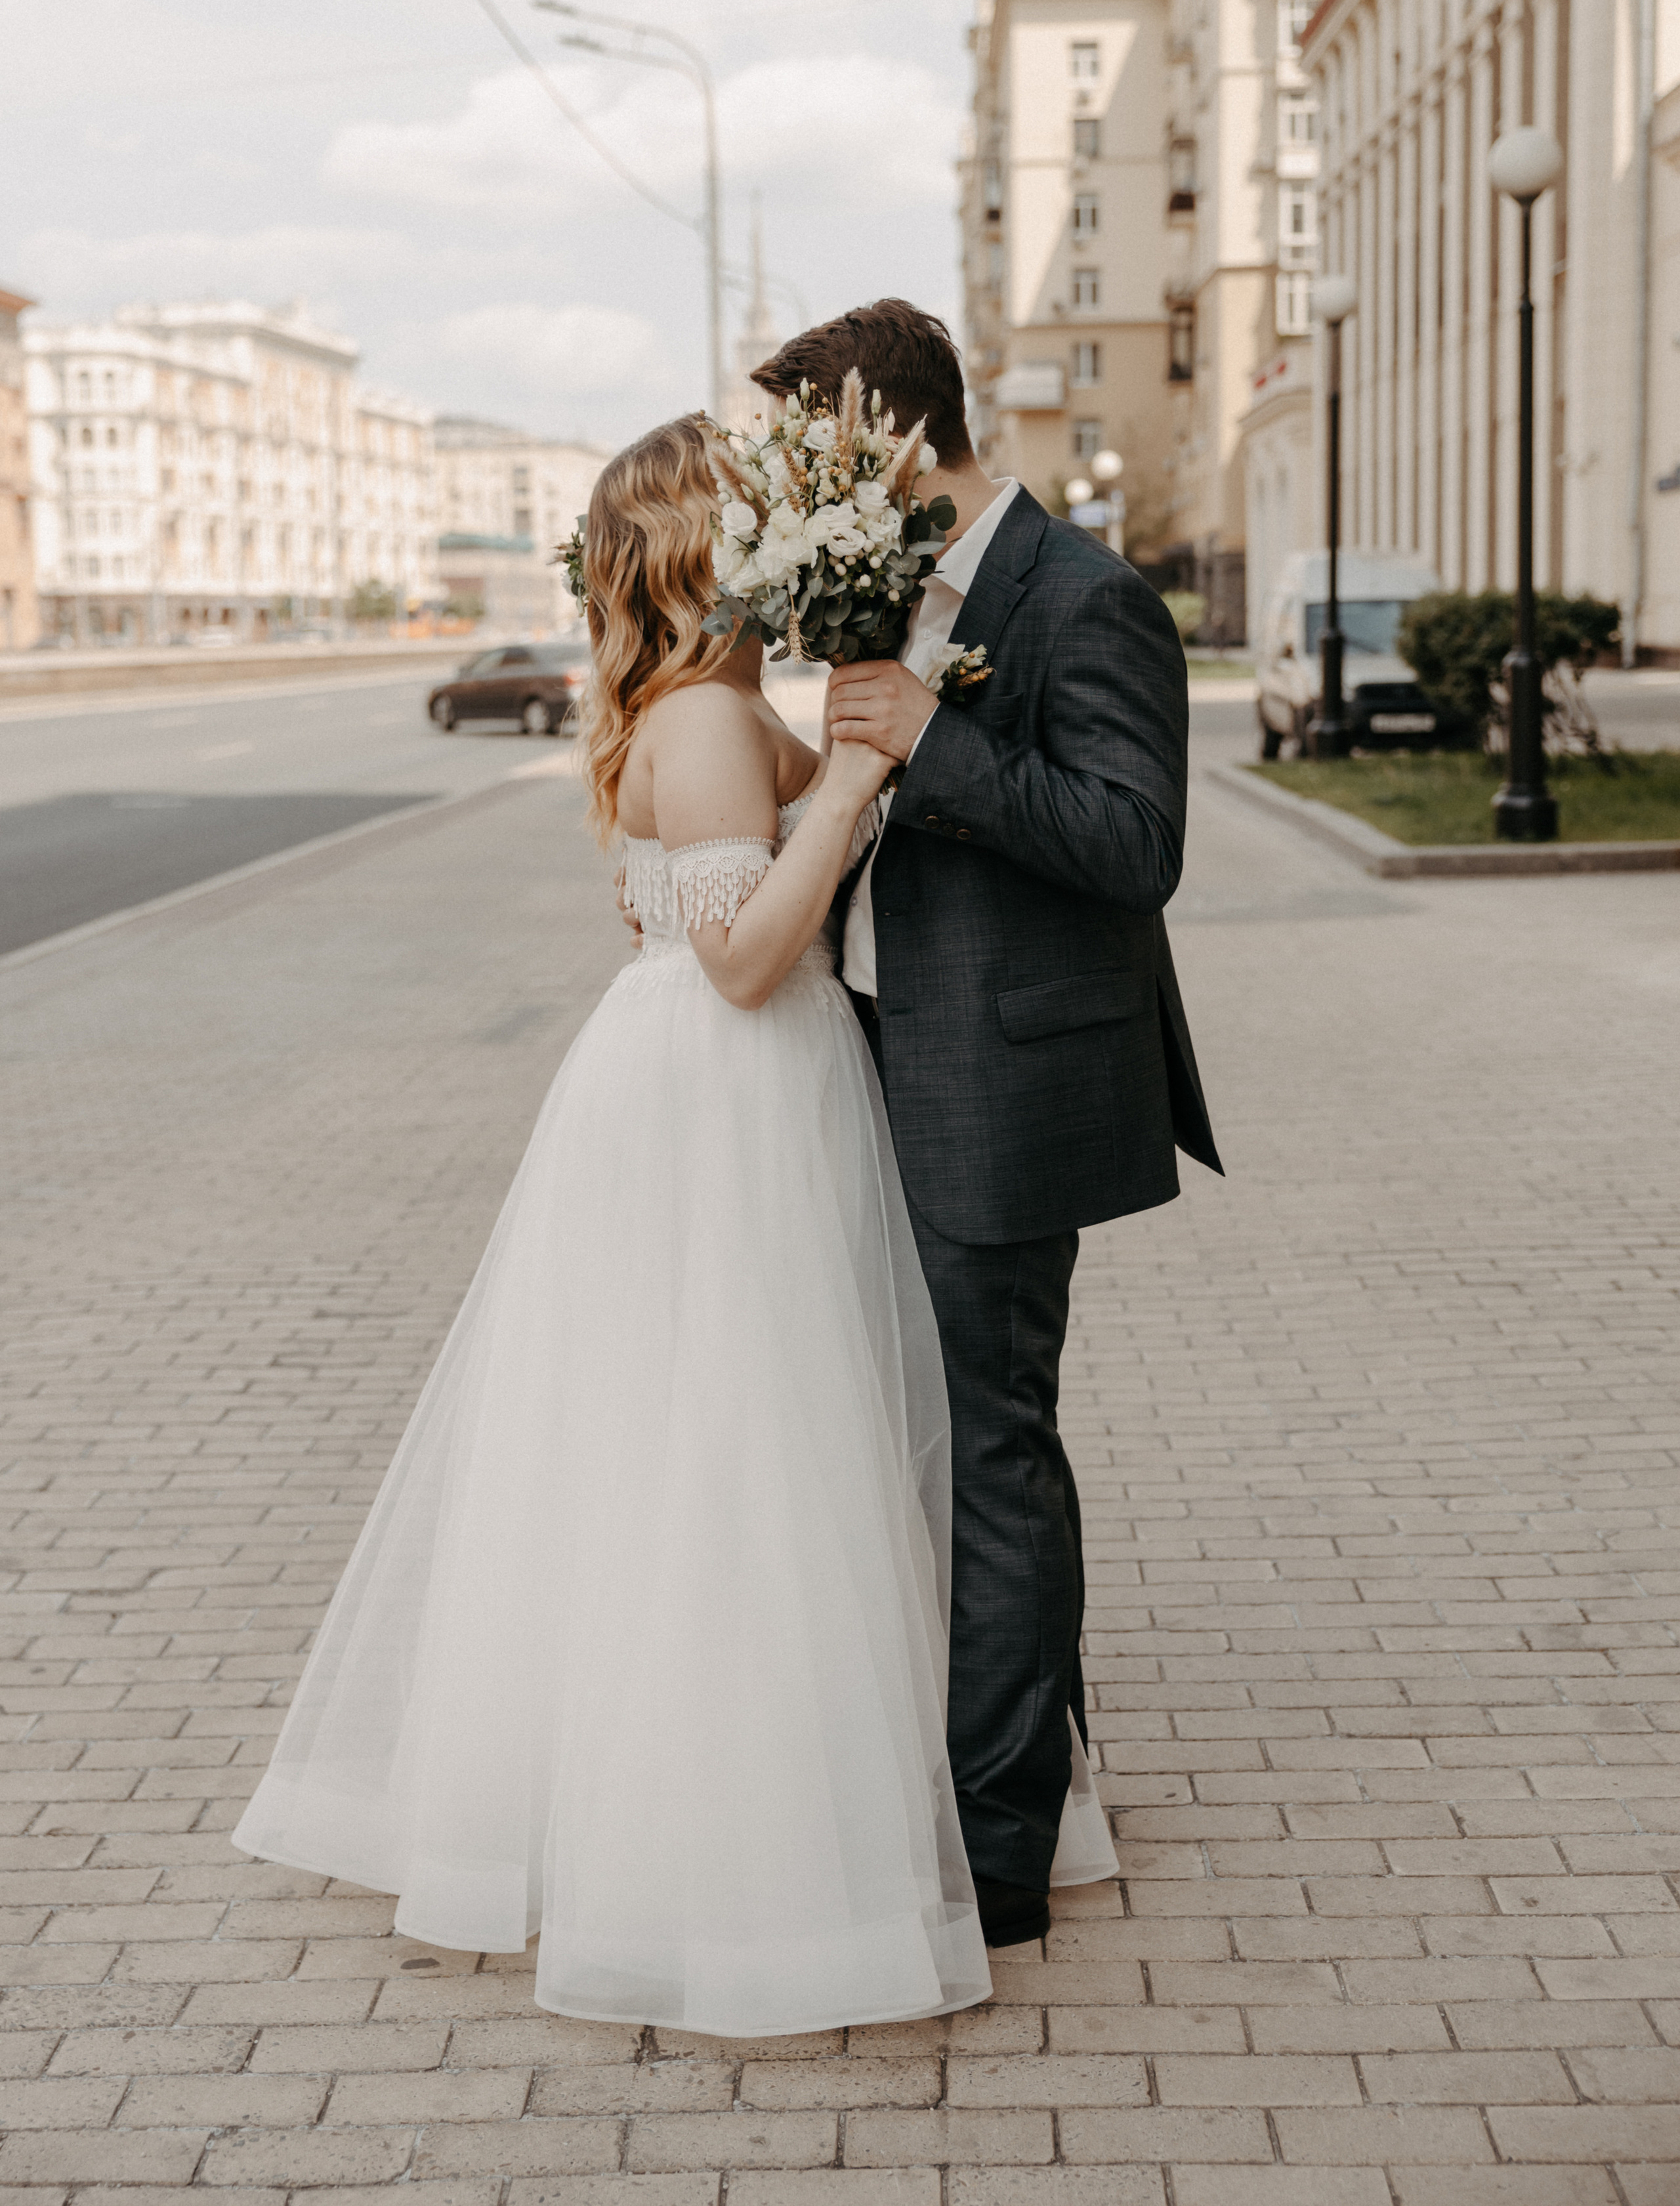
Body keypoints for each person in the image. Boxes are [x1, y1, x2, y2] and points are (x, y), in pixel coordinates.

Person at [232, 414, 1112, 2039]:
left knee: (717, 1448)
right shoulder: (702, 719)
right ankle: (740, 1843)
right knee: (736, 1455)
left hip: (725, 1091)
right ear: (706, 551)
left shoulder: (706, 704)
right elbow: (742, 956)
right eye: (758, 513)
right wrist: (853, 774)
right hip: (726, 1086)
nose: (786, 525)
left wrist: (865, 695)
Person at [749, 301, 1223, 1949]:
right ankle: (1012, 1765)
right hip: (870, 1053)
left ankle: (1003, 1857)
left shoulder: (1085, 596)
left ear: (878, 440)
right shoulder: (877, 591)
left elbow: (1129, 843)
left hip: (1001, 1089)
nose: (784, 488)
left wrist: (929, 743)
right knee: (922, 1443)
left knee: (992, 1451)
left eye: (801, 454)